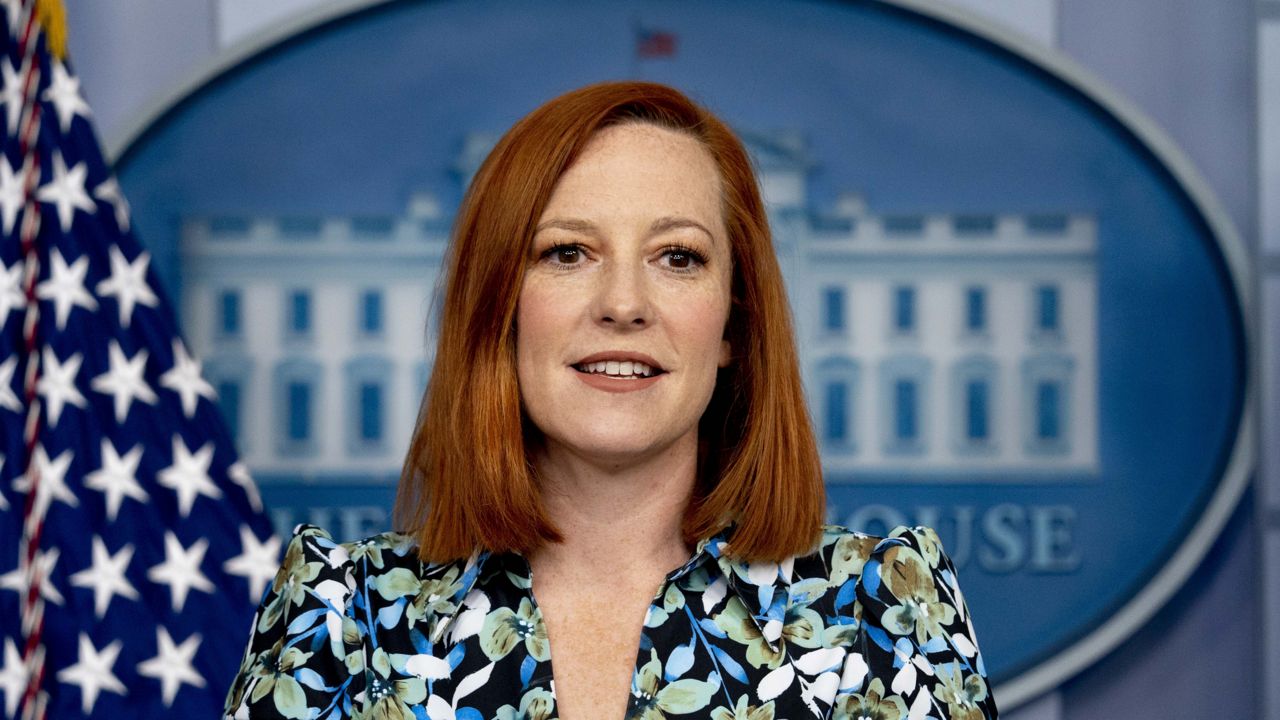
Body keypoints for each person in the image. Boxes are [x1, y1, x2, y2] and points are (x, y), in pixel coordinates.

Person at [224, 81, 997, 720]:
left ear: (734, 323)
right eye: (568, 252)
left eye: (677, 257)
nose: (623, 303)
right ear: (501, 307)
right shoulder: (340, 619)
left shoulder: (882, 617)